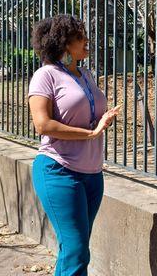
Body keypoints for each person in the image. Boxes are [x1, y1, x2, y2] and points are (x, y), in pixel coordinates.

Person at [28, 14, 120, 276]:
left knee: (73, 249)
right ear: (65, 43)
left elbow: (88, 120)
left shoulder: (85, 74)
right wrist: (91, 134)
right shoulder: (45, 76)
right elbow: (43, 125)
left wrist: (103, 121)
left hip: (92, 175)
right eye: (80, 36)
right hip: (59, 171)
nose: (87, 40)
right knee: (77, 250)